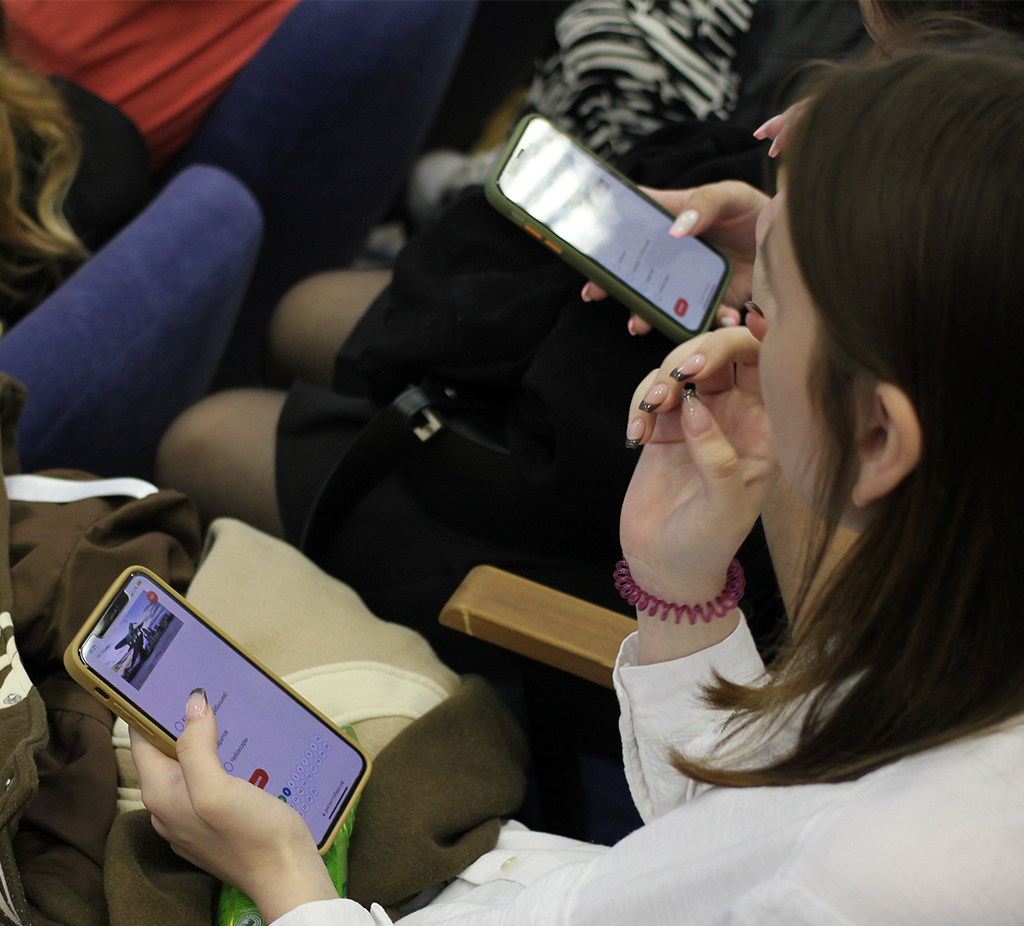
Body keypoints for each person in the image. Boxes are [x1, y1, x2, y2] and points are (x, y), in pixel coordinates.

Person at [129, 39, 1024, 923]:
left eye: (770, 308)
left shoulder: (865, 884)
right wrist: (681, 591)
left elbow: (763, 862)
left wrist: (284, 878)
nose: (740, 328)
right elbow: (719, 843)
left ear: (878, 434)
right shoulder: (954, 640)